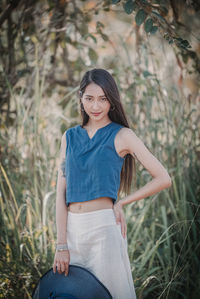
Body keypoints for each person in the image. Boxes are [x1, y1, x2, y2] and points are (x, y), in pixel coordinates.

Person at [52, 68, 172, 299]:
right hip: (72, 232)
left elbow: (163, 178)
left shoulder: (122, 135)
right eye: (89, 98)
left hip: (104, 230)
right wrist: (61, 244)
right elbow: (60, 193)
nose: (95, 106)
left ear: (112, 100)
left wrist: (122, 202)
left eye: (103, 99)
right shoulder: (69, 137)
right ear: (80, 98)